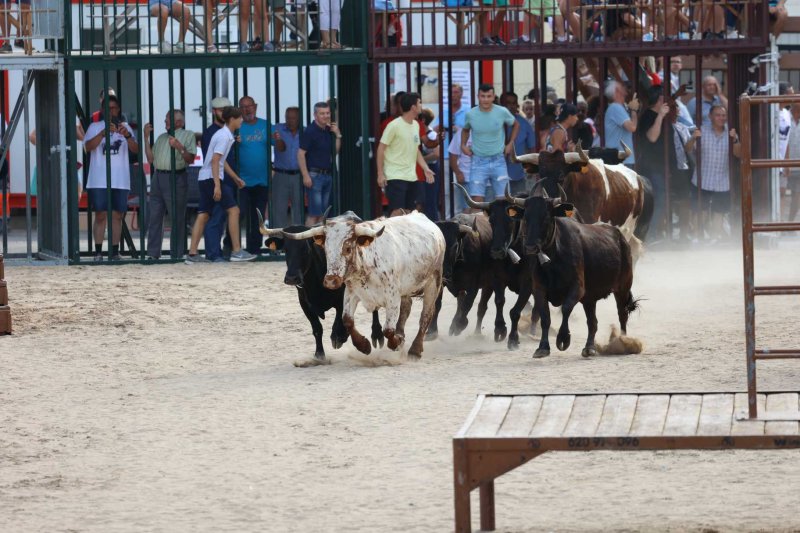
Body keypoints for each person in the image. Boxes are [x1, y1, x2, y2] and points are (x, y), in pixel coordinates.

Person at [186, 106, 255, 263]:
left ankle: (192, 254)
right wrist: (217, 185)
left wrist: (235, 178)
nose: (242, 120)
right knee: (234, 211)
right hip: (212, 178)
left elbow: (221, 161)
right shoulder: (224, 136)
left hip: (206, 178)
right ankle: (237, 251)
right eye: (239, 118)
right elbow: (216, 161)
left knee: (203, 215)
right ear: (232, 119)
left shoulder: (225, 135)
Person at [83, 94, 139, 261]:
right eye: (108, 109)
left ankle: (114, 252)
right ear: (102, 110)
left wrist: (127, 136)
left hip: (120, 179)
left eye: (114, 108)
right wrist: (102, 134)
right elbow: (88, 147)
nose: (112, 111)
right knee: (100, 214)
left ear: (119, 109)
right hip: (99, 179)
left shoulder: (126, 128)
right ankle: (98, 252)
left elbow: (136, 150)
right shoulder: (94, 126)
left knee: (117, 215)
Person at [143, 109, 196, 260]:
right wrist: (146, 139)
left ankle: (177, 254)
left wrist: (179, 146)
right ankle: (153, 253)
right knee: (155, 216)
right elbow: (151, 159)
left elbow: (190, 159)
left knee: (177, 217)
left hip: (176, 177)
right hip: (158, 176)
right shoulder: (161, 137)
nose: (165, 122)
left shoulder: (188, 135)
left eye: (168, 120)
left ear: (179, 122)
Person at [686, 105, 741, 241]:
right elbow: (687, 149)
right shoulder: (702, 131)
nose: (721, 118)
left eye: (723, 115)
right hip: (703, 179)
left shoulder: (731, 133)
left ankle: (714, 239)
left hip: (723, 181)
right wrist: (693, 138)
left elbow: (738, 154)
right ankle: (697, 238)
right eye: (717, 115)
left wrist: (735, 140)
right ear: (710, 117)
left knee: (719, 212)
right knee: (700, 211)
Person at [376, 92, 434, 213]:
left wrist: (425, 168)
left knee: (409, 213)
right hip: (395, 176)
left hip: (412, 177)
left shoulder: (416, 125)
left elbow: (416, 150)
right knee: (397, 213)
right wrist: (380, 174)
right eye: (419, 103)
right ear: (413, 107)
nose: (421, 106)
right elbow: (381, 148)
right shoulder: (394, 126)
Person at [460, 84, 518, 203]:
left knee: (504, 200)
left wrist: (510, 143)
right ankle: (480, 222)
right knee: (477, 201)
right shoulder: (470, 114)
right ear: (478, 97)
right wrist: (463, 145)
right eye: (483, 96)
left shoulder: (502, 111)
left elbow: (516, 124)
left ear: (493, 97)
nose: (485, 99)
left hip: (498, 160)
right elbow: (465, 130)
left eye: (488, 96)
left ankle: (502, 222)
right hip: (478, 161)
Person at [635, 86, 672, 241]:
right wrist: (660, 117)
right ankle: (649, 235)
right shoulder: (649, 116)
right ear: (660, 99)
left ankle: (651, 234)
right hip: (652, 168)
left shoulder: (655, 115)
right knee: (657, 201)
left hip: (658, 167)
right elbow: (652, 137)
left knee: (659, 200)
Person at [237, 95, 271, 255]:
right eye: (243, 107)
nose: (247, 109)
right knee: (238, 214)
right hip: (241, 181)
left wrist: (278, 140)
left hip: (261, 180)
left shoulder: (265, 125)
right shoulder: (237, 127)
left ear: (255, 106)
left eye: (249, 106)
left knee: (257, 216)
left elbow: (280, 147)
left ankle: (254, 248)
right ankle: (232, 246)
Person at [298, 101, 340, 225]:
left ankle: (318, 242)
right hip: (314, 176)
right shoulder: (310, 131)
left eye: (327, 113)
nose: (326, 116)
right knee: (314, 214)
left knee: (323, 214)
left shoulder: (328, 130)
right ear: (315, 115)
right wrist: (306, 176)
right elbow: (300, 154)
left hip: (327, 175)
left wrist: (338, 135)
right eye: (322, 113)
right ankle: (306, 242)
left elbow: (335, 152)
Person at [272, 106, 304, 228]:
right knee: (278, 210)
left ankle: (298, 241)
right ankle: (279, 242)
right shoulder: (278, 129)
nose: (290, 121)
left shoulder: (305, 132)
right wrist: (278, 139)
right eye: (288, 118)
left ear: (299, 119)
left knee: (299, 210)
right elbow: (280, 148)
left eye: (293, 118)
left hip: (298, 175)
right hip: (281, 174)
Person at [501, 91, 536, 195]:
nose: (511, 106)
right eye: (507, 103)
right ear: (501, 104)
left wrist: (531, 166)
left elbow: (532, 148)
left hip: (518, 173)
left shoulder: (524, 124)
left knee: (517, 205)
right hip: (496, 174)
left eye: (513, 103)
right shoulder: (494, 121)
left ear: (517, 105)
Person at [604, 80, 639, 167]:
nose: (625, 89)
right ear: (617, 90)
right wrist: (634, 110)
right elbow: (632, 127)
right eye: (621, 87)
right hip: (621, 160)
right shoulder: (616, 108)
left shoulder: (617, 108)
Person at [418, 107, 442, 219]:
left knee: (430, 199)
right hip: (426, 167)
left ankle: (434, 221)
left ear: (422, 120)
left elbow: (437, 154)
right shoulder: (426, 133)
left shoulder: (431, 135)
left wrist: (421, 160)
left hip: (431, 167)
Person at [784, 103, 800, 222]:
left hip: (798, 166)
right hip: (782, 165)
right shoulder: (784, 116)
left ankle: (789, 223)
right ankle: (779, 224)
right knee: (781, 193)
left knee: (797, 196)